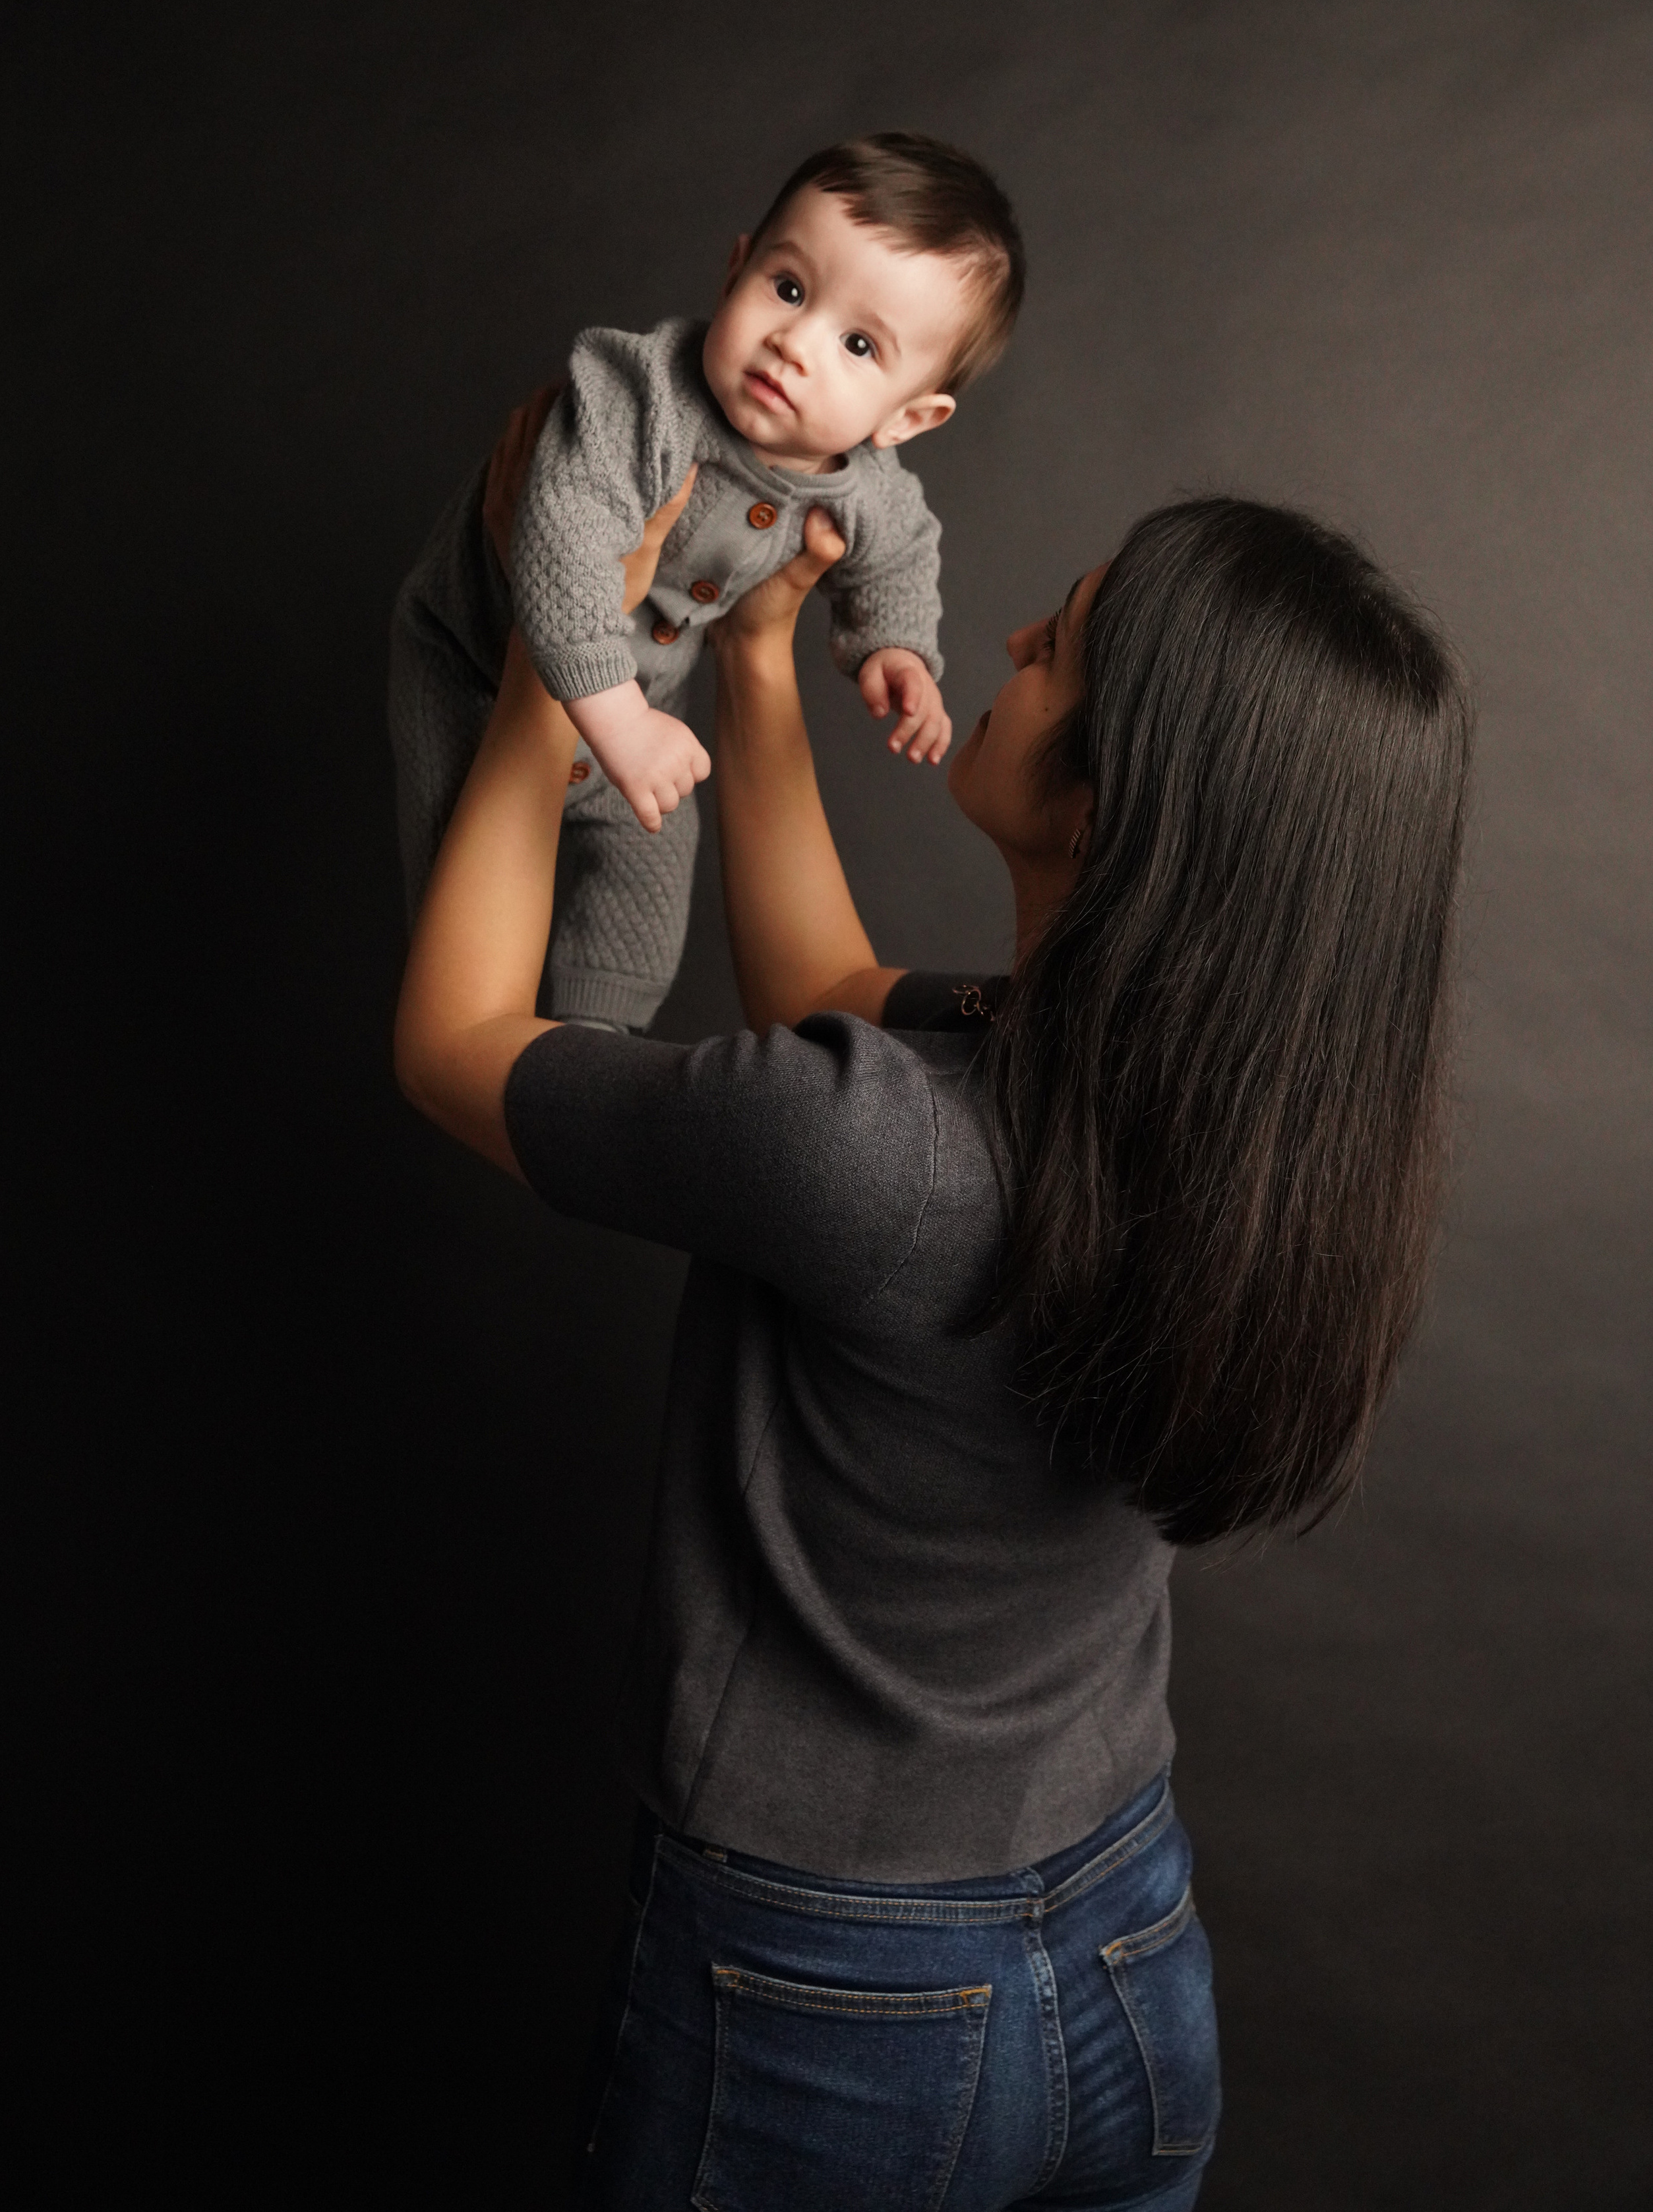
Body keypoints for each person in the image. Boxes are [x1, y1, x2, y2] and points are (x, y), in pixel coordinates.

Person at [394, 388, 1471, 2209]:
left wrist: (564, 655)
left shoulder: (867, 1152)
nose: (1018, 640)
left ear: (1120, 797)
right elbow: (828, 978)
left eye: (1064, 644)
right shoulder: (1222, 1124)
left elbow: (455, 1046)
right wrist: (751, 656)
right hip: (1126, 1951)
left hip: (829, 2003)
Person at [388, 131, 1023, 1032]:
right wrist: (619, 722)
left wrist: (895, 647)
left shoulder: (866, 488)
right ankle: (467, 1020)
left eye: (856, 344)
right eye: (789, 287)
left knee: (655, 856)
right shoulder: (635, 395)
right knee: (459, 856)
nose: (795, 342)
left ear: (909, 417)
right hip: (475, 663)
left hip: (636, 713)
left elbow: (905, 552)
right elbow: (567, 545)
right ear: (736, 270)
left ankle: (592, 1041)